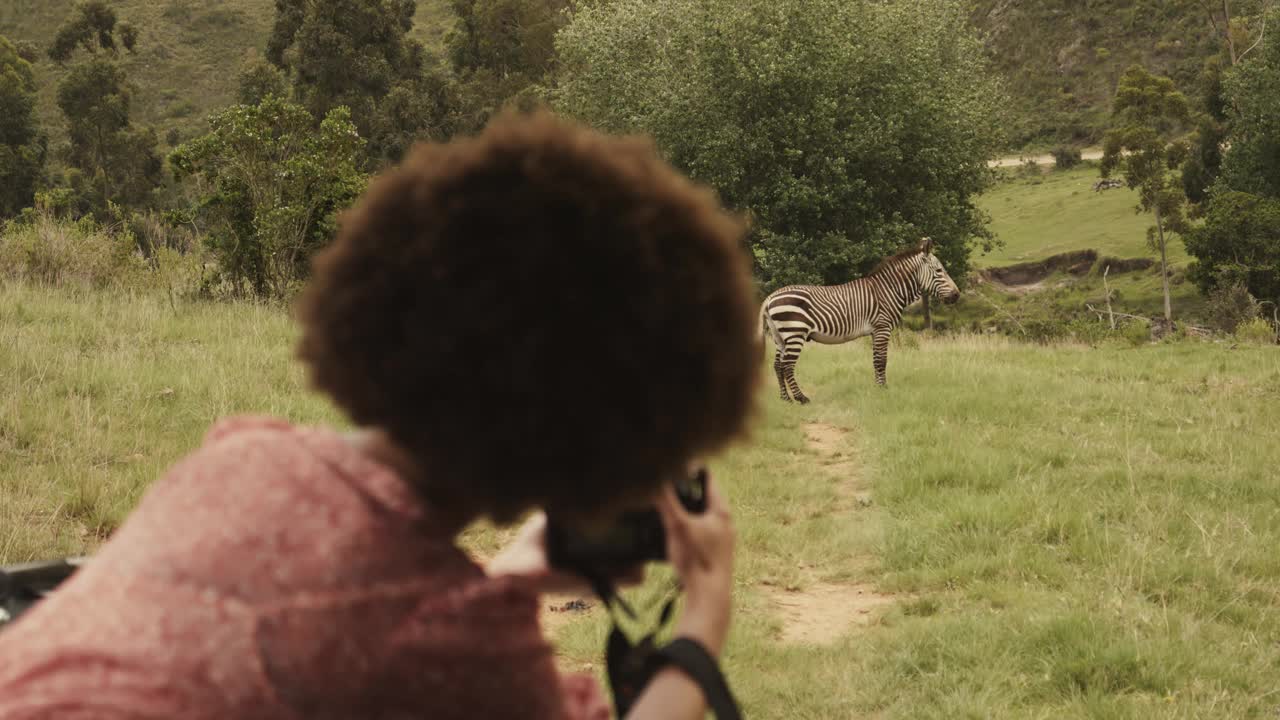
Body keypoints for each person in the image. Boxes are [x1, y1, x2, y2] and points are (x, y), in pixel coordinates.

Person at [0, 112, 762, 719]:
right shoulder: (455, 646)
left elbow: (339, 622)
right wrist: (706, 612)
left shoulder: (246, 455)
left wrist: (506, 579)